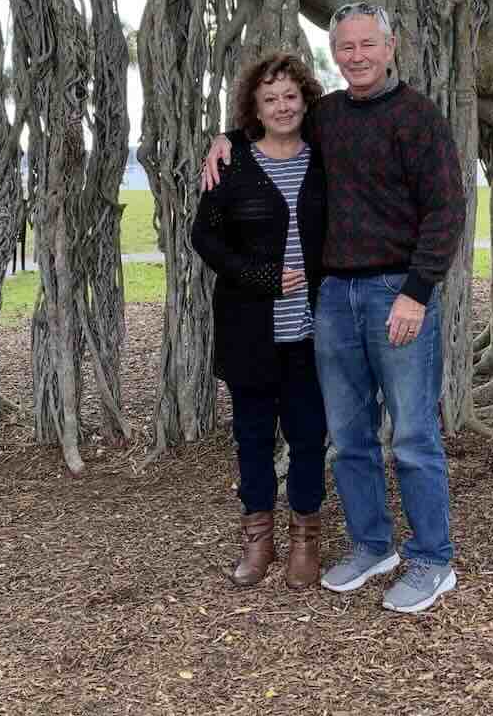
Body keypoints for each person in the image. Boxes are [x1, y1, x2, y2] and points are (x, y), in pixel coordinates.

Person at [204, 3, 465, 615]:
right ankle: (374, 544)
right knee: (348, 437)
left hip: (396, 292)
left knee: (414, 435)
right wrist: (226, 139)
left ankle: (433, 558)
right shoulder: (327, 117)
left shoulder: (419, 117)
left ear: (390, 45)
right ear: (335, 54)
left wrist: (417, 293)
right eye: (345, 47)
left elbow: (446, 212)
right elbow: (274, 123)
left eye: (366, 44)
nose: (356, 56)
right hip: (333, 298)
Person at [191, 50, 330, 589]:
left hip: (313, 334)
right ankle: (258, 540)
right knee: (252, 438)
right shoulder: (232, 164)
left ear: (305, 101)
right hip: (250, 330)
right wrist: (261, 276)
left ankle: (304, 540)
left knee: (308, 436)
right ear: (255, 105)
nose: (281, 106)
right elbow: (203, 237)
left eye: (290, 96)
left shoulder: (323, 157)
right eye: (269, 98)